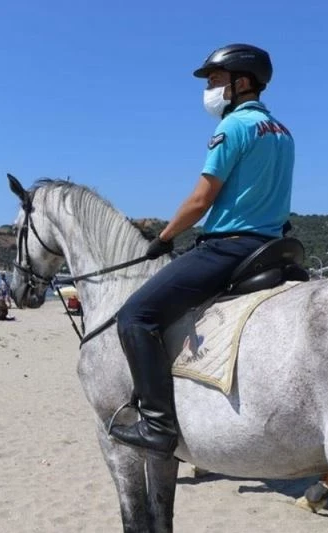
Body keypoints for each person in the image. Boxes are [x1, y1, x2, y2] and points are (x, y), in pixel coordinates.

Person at [108, 44, 294, 458]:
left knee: (135, 316)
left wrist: (164, 237)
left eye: (214, 80)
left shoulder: (233, 127)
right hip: (272, 246)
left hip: (230, 246)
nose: (208, 89)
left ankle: (157, 424)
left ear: (241, 83)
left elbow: (200, 200)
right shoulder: (283, 132)